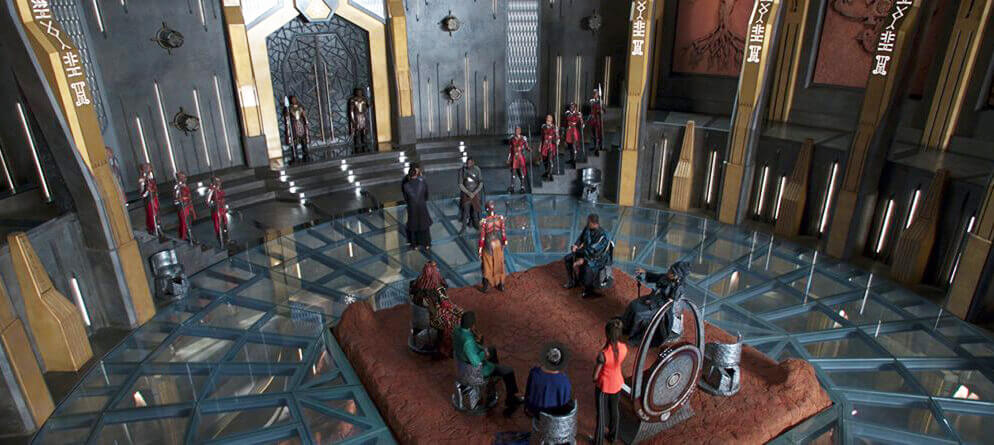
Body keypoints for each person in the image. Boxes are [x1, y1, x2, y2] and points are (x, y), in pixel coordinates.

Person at [453, 311, 525, 417]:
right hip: (474, 372)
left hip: (461, 365)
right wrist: (484, 353)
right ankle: (511, 400)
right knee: (509, 372)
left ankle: (494, 377)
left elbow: (470, 349)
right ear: (472, 325)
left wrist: (480, 345)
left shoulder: (456, 330)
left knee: (492, 349)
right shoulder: (468, 341)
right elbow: (476, 361)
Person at [627, 262, 690, 346]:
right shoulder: (667, 276)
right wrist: (645, 272)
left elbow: (669, 303)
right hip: (655, 298)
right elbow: (657, 277)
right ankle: (626, 327)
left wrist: (653, 303)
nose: (669, 272)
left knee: (639, 313)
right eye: (670, 269)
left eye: (672, 272)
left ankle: (635, 336)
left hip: (664, 309)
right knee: (634, 304)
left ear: (677, 276)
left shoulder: (678, 288)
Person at [410, 261, 463, 358]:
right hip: (434, 317)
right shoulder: (438, 286)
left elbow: (413, 295)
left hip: (418, 317)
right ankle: (443, 347)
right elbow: (445, 303)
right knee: (454, 318)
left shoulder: (417, 283)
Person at [593, 319, 628, 445]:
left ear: (607, 334)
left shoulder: (603, 354)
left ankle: (598, 442)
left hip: (604, 386)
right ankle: (612, 437)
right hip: (617, 383)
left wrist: (595, 379)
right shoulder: (624, 348)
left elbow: (595, 376)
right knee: (614, 411)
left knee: (601, 414)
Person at [563, 214, 612, 298]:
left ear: (593, 223)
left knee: (587, 267)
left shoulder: (602, 236)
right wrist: (576, 245)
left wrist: (582, 258)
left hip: (597, 258)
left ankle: (589, 291)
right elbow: (581, 238)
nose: (587, 223)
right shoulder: (587, 228)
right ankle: (573, 281)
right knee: (568, 258)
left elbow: (593, 251)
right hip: (585, 253)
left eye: (588, 222)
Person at [524, 343, 573, 417]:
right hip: (554, 416)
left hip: (536, 412)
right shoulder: (564, 380)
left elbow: (528, 393)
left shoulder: (534, 373)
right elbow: (565, 401)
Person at [478, 201, 507, 293]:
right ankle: (501, 285)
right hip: (498, 243)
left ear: (487, 209)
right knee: (499, 264)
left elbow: (482, 237)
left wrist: (480, 249)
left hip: (488, 244)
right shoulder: (500, 218)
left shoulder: (484, 221)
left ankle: (486, 287)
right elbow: (503, 232)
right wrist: (504, 241)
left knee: (487, 265)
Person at [401, 164, 432, 251]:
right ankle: (427, 244)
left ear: (409, 175)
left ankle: (414, 245)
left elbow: (406, 198)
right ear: (416, 174)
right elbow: (426, 195)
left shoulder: (406, 186)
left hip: (412, 208)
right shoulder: (422, 183)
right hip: (422, 207)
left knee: (413, 226)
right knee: (425, 226)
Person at [458, 158, 483, 234]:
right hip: (466, 194)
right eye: (467, 163)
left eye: (470, 163)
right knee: (465, 212)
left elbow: (481, 183)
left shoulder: (477, 169)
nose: (468, 165)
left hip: (475, 194)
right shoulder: (462, 171)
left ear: (473, 163)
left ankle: (475, 224)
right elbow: (460, 184)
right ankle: (464, 228)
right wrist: (468, 193)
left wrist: (475, 192)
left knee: (475, 211)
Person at [283, 95, 309, 163]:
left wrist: (306, 121)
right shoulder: (289, 107)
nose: (294, 100)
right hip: (294, 126)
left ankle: (306, 153)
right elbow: (286, 115)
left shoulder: (300, 106)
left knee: (303, 140)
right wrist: (287, 111)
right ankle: (295, 155)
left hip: (301, 125)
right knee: (294, 141)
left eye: (295, 99)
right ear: (291, 100)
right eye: (293, 99)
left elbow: (304, 114)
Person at [206, 176, 228, 249]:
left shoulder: (219, 189)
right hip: (216, 210)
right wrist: (215, 203)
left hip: (222, 209)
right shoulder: (211, 190)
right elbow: (208, 202)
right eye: (217, 181)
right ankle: (221, 240)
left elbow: (223, 198)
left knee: (224, 224)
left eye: (219, 181)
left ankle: (226, 238)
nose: (219, 182)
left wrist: (224, 205)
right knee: (218, 226)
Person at [138, 163, 159, 236]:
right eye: (146, 168)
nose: (149, 170)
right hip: (149, 199)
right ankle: (152, 229)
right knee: (151, 214)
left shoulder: (151, 178)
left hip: (154, 198)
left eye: (149, 168)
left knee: (156, 213)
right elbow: (142, 192)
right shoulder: (142, 179)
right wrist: (147, 190)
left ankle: (157, 228)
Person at [174, 172, 195, 243]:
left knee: (189, 221)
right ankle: (184, 236)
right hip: (183, 206)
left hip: (188, 206)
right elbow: (176, 199)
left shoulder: (185, 185)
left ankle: (189, 235)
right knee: (184, 222)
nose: (185, 178)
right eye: (182, 177)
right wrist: (181, 200)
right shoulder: (177, 187)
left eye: (185, 177)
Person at [507, 127, 530, 194]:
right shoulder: (512, 138)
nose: (517, 131)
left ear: (520, 131)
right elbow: (510, 149)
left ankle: (522, 187)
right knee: (513, 172)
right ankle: (512, 187)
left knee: (521, 172)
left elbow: (526, 147)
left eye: (518, 130)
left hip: (520, 157)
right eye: (516, 130)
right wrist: (508, 158)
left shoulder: (523, 138)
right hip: (514, 157)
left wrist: (529, 149)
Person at [348, 88, 370, 152]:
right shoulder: (353, 100)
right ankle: (357, 147)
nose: (359, 93)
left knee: (364, 132)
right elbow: (351, 110)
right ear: (356, 93)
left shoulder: (364, 99)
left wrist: (368, 102)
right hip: (356, 117)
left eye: (360, 92)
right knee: (357, 132)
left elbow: (367, 106)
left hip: (363, 117)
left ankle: (365, 146)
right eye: (358, 92)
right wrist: (352, 119)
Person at [540, 114, 559, 181]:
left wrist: (557, 140)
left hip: (551, 145)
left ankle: (549, 174)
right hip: (544, 145)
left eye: (548, 120)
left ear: (551, 121)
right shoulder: (543, 127)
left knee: (550, 160)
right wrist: (540, 146)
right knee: (544, 160)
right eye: (546, 120)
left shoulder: (554, 128)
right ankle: (546, 172)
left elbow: (557, 137)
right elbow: (542, 137)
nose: (547, 122)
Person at [587, 88, 604, 155]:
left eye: (596, 93)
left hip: (598, 119)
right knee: (593, 133)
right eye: (594, 93)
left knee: (598, 133)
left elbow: (603, 110)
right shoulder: (592, 101)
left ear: (598, 94)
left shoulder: (600, 101)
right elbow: (591, 107)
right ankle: (595, 146)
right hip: (593, 118)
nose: (594, 94)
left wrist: (601, 111)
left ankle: (599, 146)